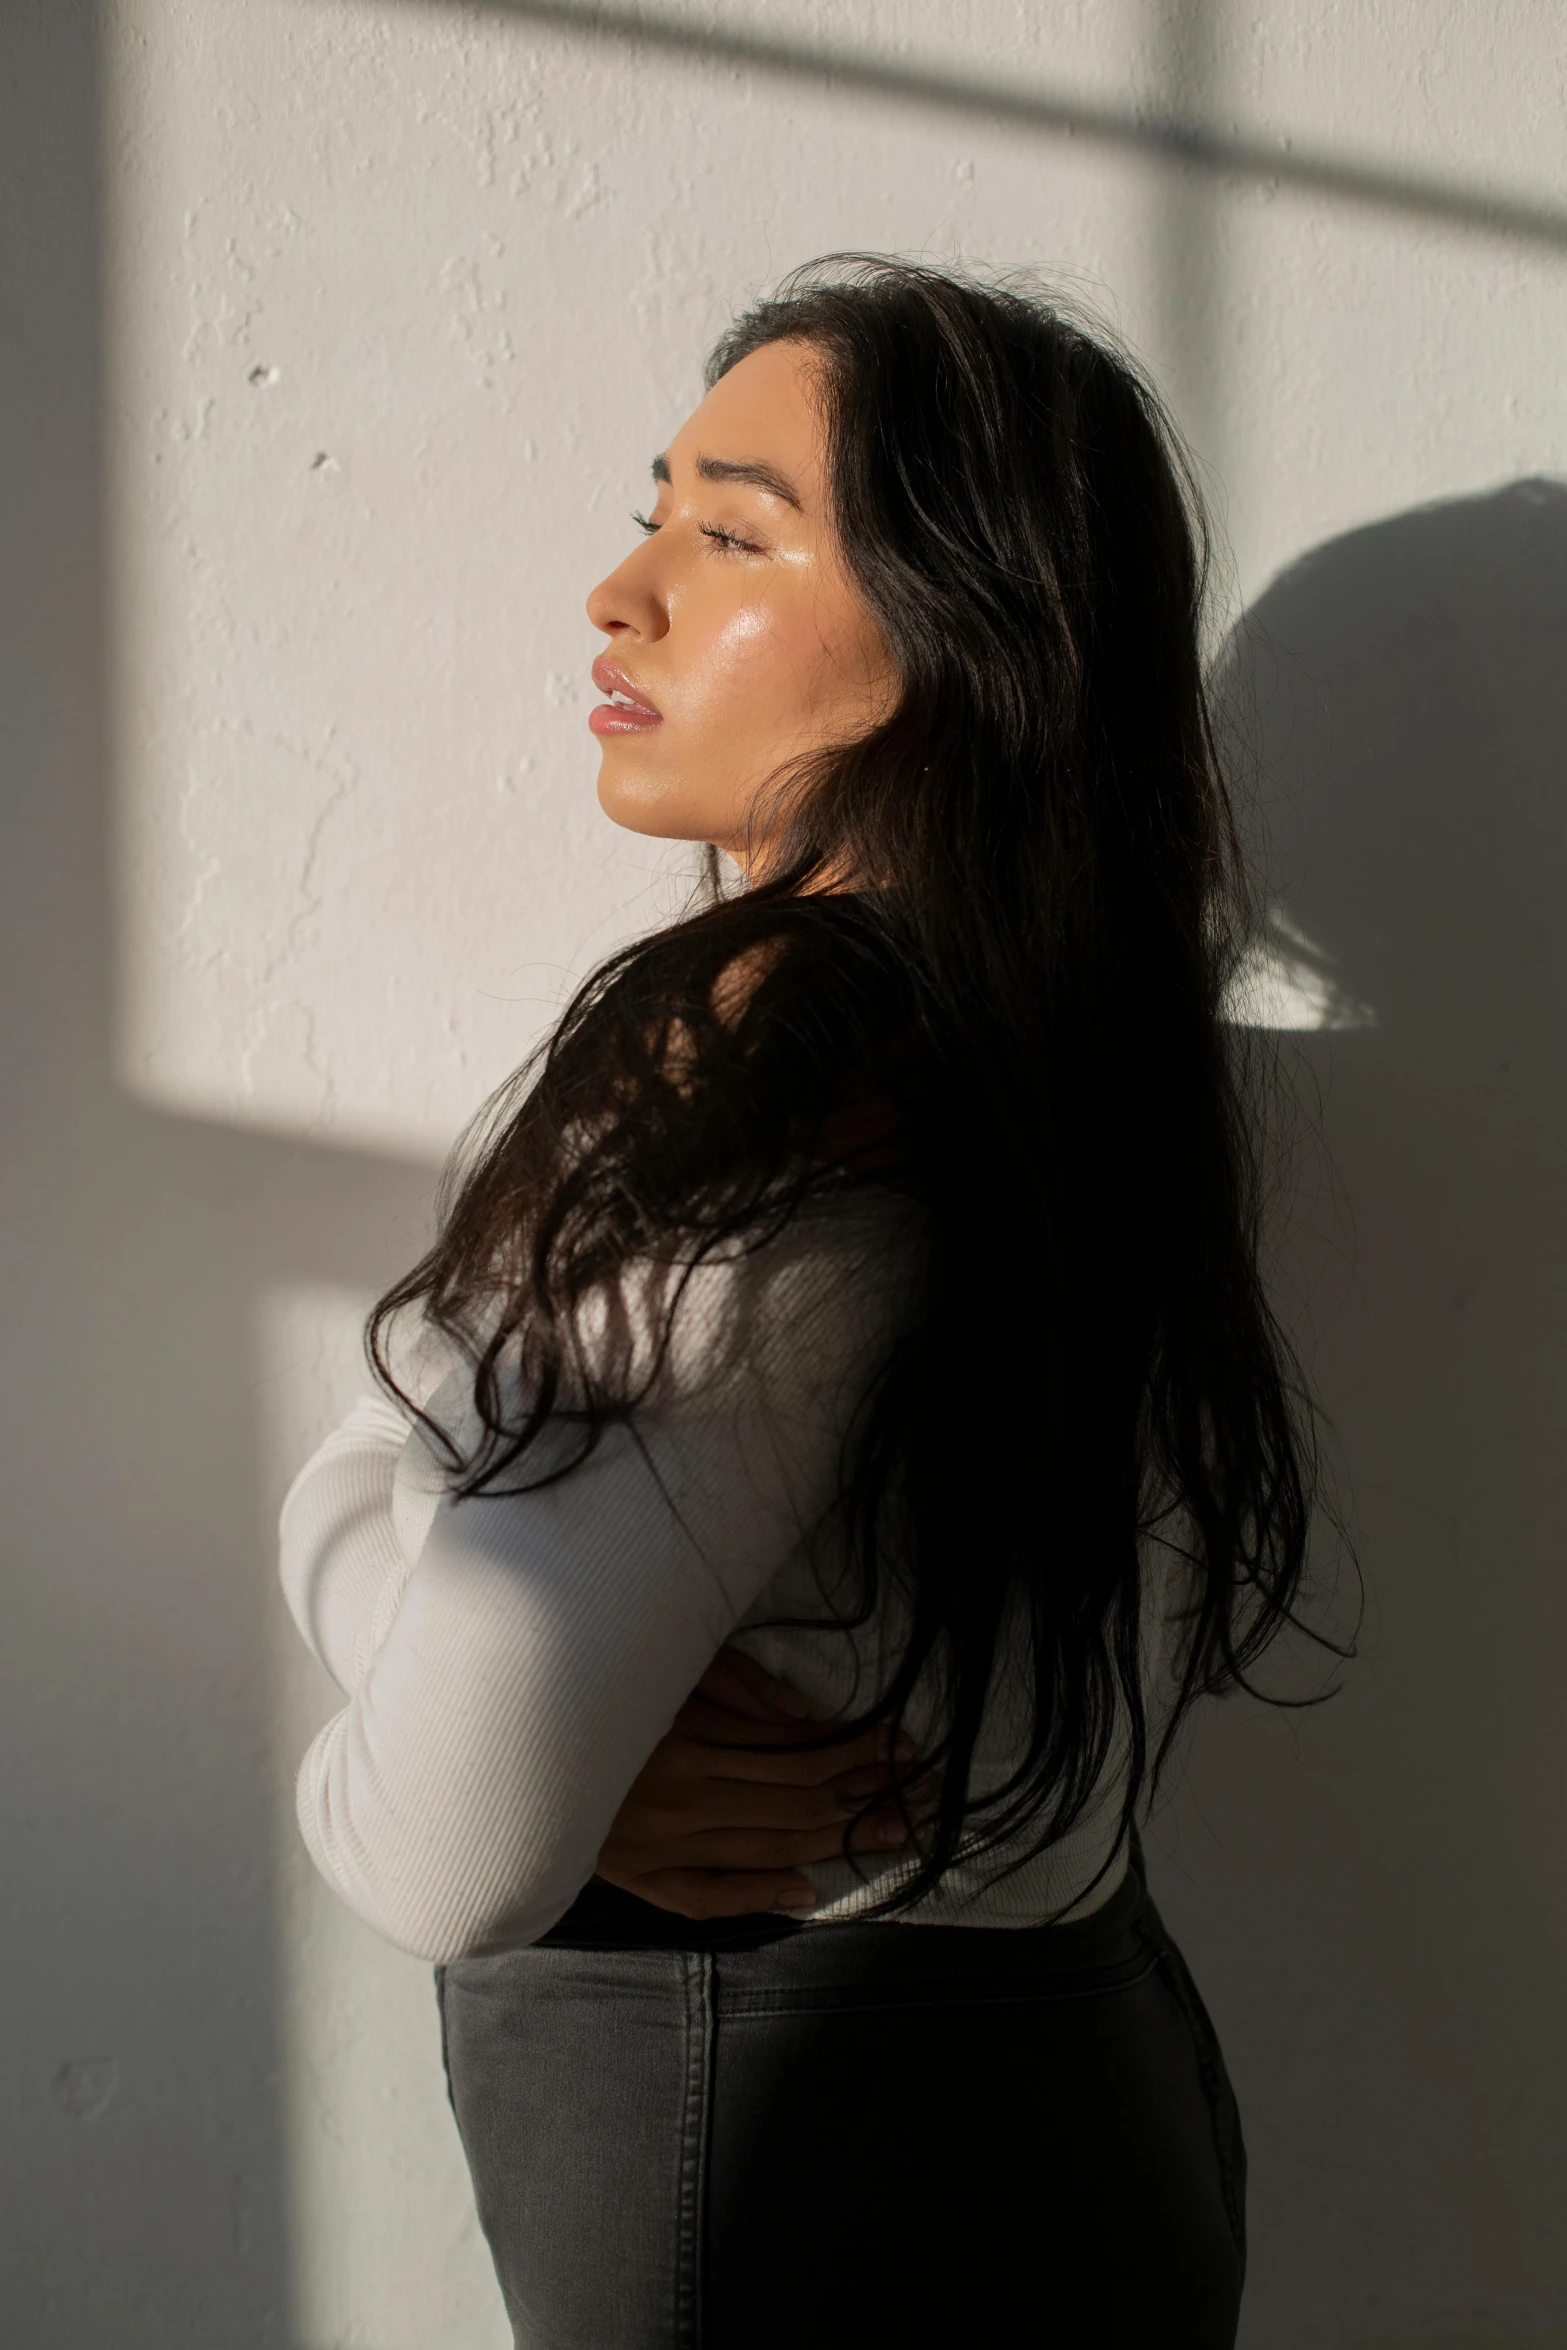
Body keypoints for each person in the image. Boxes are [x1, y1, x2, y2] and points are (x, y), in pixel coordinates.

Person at [278, 255, 1331, 2348]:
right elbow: (418, 1475)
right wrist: (458, 1601)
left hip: (780, 2170)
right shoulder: (1057, 1048)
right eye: (654, 502)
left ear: (961, 635)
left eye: (731, 531)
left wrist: (427, 1684)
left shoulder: (768, 1090)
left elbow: (431, 1844)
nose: (620, 587)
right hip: (1069, 2078)